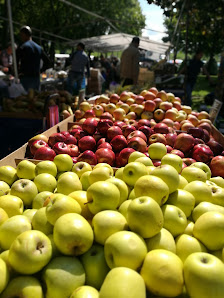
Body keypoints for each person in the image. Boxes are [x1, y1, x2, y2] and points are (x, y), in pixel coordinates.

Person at [16, 26, 52, 92]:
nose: (21, 37)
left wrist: (18, 72)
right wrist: (40, 71)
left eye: (21, 35)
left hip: (25, 77)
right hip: (36, 78)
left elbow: (16, 61)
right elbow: (48, 62)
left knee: (25, 99)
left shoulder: (23, 47)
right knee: (35, 98)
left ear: (24, 34)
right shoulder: (39, 48)